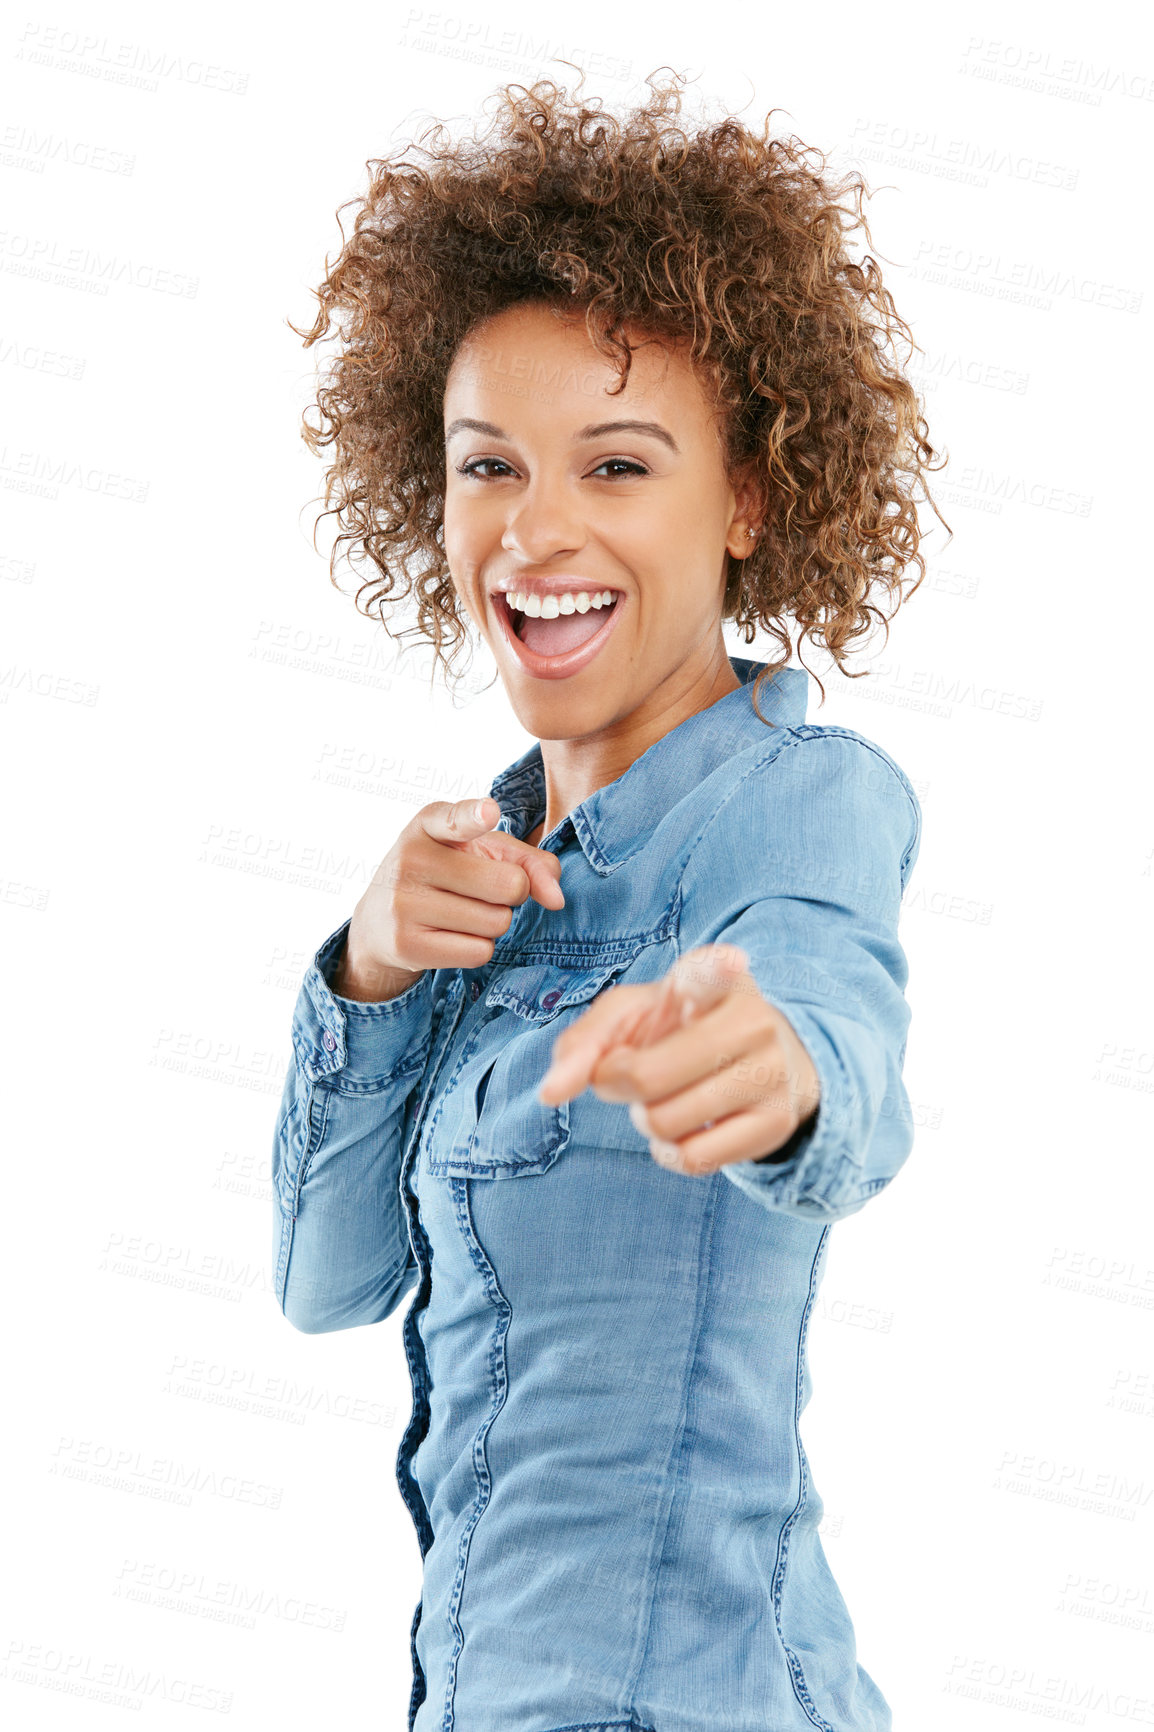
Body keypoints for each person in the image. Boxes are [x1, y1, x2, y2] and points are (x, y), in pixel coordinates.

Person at [272, 68, 948, 1732]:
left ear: (751, 497)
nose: (533, 529)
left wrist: (776, 1071)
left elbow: (829, 1026)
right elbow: (323, 1278)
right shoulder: (472, 882)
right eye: (486, 465)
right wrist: (369, 970)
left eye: (618, 466)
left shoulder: (799, 801)